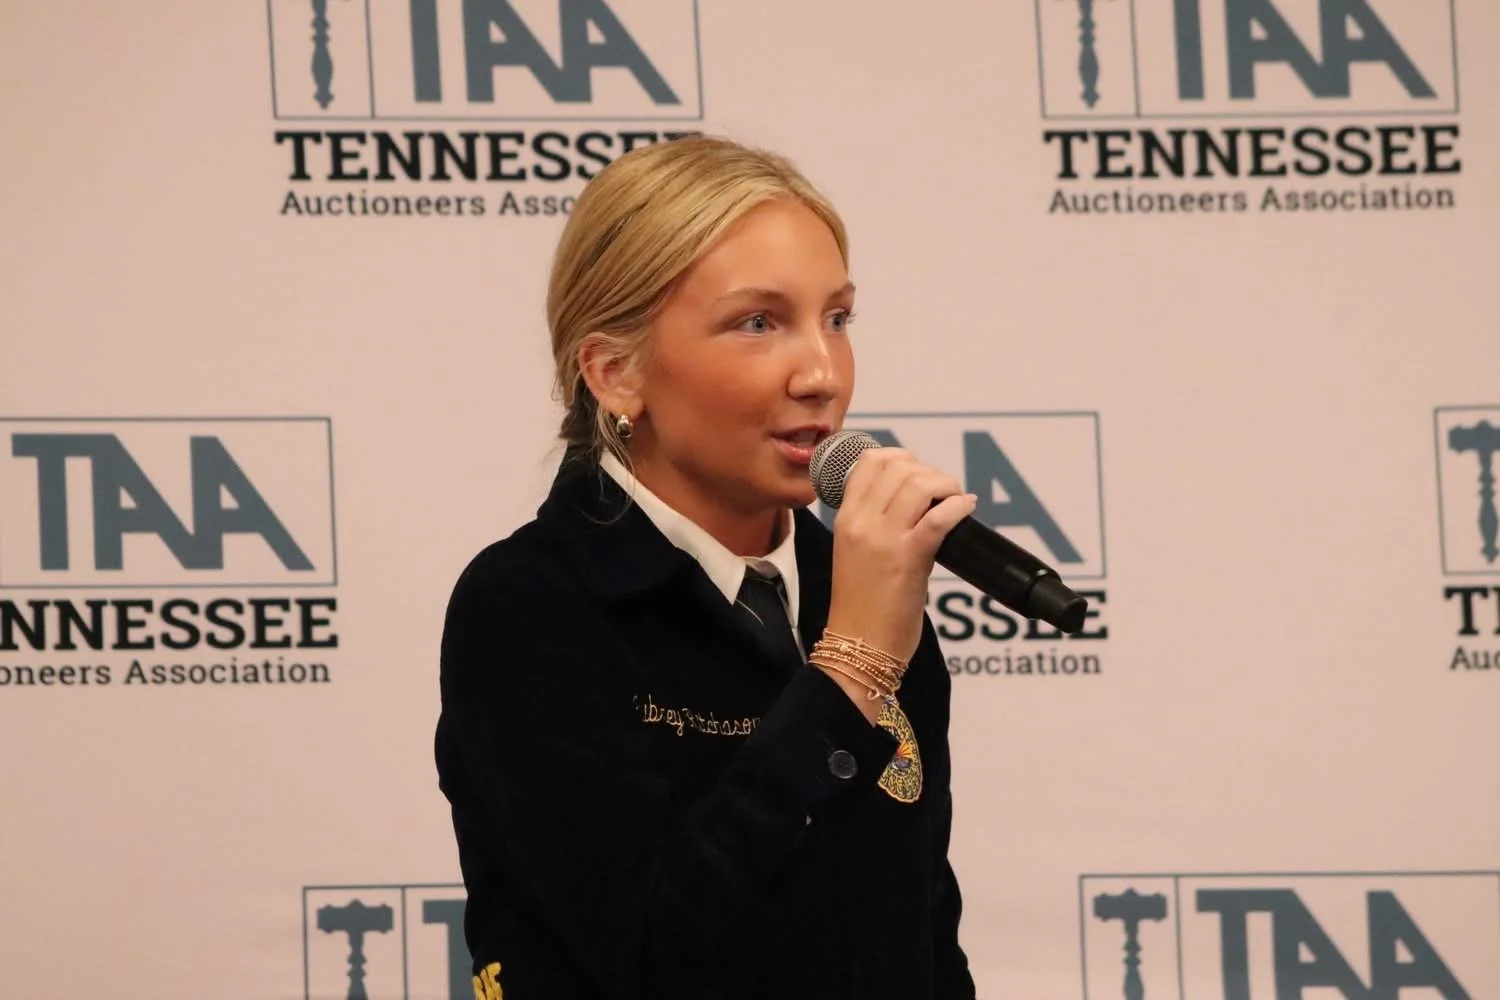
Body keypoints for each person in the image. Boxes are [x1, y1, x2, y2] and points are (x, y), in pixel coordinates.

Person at [435, 134, 980, 1000]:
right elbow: (650, 954)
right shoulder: (530, 606)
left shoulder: (860, 583)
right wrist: (846, 673)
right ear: (616, 372)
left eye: (837, 318)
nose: (822, 372)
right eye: (758, 322)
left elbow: (919, 939)